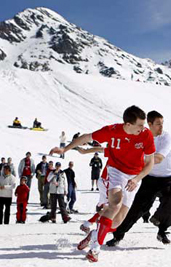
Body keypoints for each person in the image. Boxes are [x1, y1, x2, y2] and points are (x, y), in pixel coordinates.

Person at [50, 105, 155, 262]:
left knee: (118, 222)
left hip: (134, 177)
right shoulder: (111, 131)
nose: (144, 128)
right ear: (128, 125)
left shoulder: (145, 135)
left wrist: (137, 178)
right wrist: (64, 150)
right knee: (115, 203)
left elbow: (150, 163)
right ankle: (95, 249)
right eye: (140, 125)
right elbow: (86, 137)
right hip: (115, 172)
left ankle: (94, 233)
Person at [106, 110, 171, 247]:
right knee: (137, 208)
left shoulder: (167, 137)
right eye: (158, 124)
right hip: (149, 177)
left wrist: (135, 160)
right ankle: (118, 235)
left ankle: (162, 229)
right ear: (149, 124)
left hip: (168, 177)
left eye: (162, 124)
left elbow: (159, 158)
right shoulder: (140, 136)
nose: (161, 127)